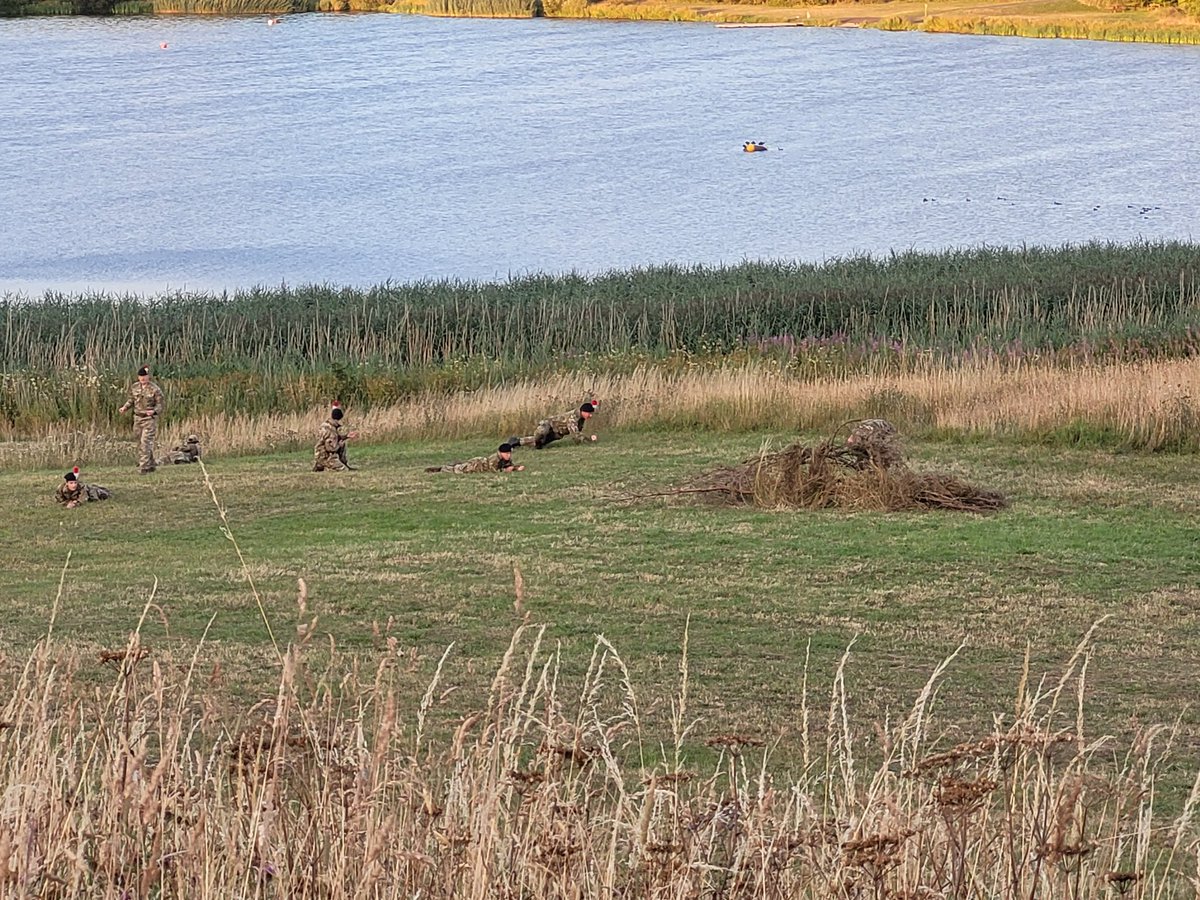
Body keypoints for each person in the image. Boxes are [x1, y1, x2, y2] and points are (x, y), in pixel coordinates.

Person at [117, 365, 164, 474]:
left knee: (145, 442)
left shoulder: (155, 389)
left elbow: (160, 404)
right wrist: (125, 407)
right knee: (139, 442)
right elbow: (131, 400)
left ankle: (143, 467)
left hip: (149, 419)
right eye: (141, 376)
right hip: (137, 418)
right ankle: (150, 464)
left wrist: (154, 411)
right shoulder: (134, 387)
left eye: (145, 376)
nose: (143, 378)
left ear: (148, 377)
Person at [510, 400, 600, 450]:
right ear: (583, 411)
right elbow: (575, 435)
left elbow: (577, 433)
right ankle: (518, 442)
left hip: (556, 432)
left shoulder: (581, 418)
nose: (590, 415)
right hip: (548, 425)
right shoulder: (573, 418)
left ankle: (517, 442)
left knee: (540, 444)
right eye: (589, 413)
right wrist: (589, 440)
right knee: (540, 435)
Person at [313, 402, 359, 471]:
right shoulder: (331, 431)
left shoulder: (327, 425)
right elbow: (330, 448)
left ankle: (321, 465)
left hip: (320, 454)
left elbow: (334, 438)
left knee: (342, 443)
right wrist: (339, 445)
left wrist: (347, 436)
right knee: (344, 469)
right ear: (338, 420)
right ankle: (325, 466)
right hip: (325, 456)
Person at [426, 443, 526, 474]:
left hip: (480, 465)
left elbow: (509, 466)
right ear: (501, 453)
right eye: (506, 453)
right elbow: (493, 470)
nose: (508, 455)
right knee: (457, 470)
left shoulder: (506, 459)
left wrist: (516, 468)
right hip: (476, 466)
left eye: (509, 453)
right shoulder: (495, 459)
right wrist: (506, 471)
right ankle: (440, 469)